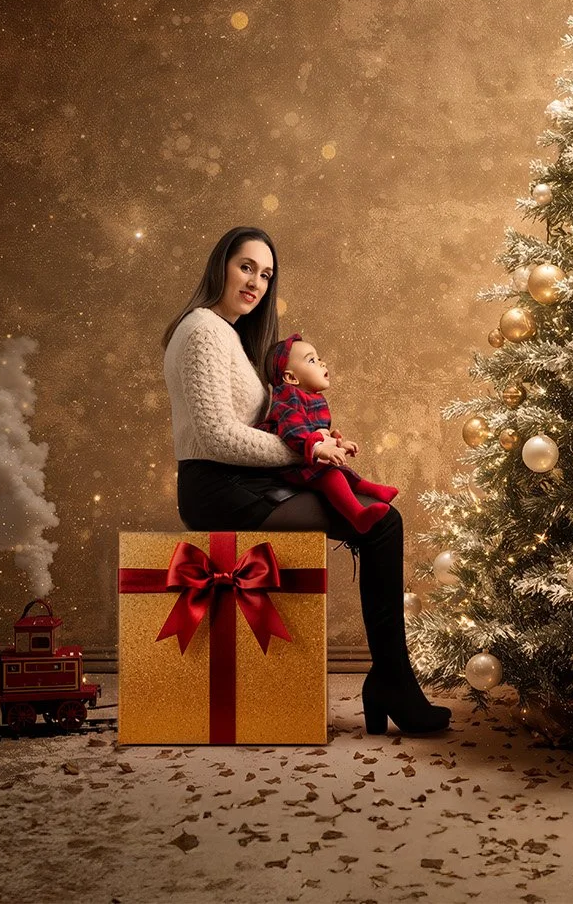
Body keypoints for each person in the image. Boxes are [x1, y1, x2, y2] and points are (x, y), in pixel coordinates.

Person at [163, 225, 451, 736]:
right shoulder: (204, 329)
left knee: (377, 515)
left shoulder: (224, 332)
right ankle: (392, 680)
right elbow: (217, 438)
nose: (255, 282)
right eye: (246, 267)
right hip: (219, 488)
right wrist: (309, 449)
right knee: (381, 524)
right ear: (220, 266)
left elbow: (249, 430)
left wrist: (316, 445)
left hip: (243, 482)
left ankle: (389, 678)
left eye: (266, 275)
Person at [256, 332, 398, 534]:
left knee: (338, 469)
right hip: (288, 469)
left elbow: (318, 430)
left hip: (310, 455)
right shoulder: (287, 398)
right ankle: (357, 516)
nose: (322, 364)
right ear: (291, 377)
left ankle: (372, 489)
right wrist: (319, 448)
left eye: (319, 358)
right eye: (312, 360)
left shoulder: (314, 398)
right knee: (330, 475)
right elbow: (293, 430)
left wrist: (338, 443)